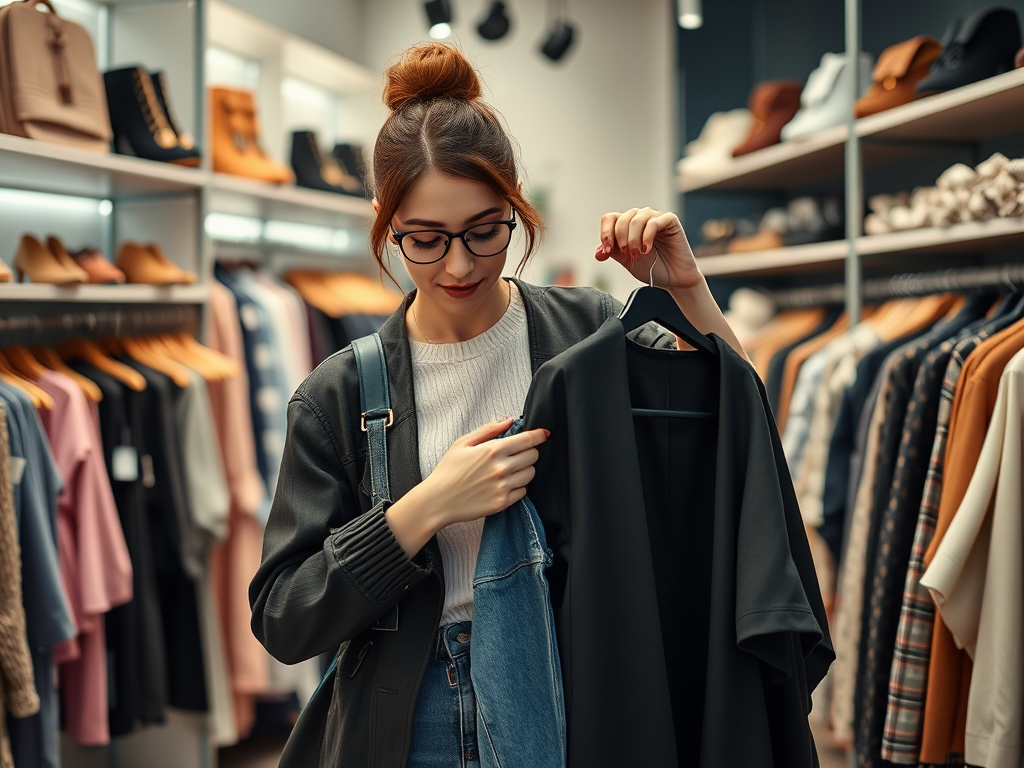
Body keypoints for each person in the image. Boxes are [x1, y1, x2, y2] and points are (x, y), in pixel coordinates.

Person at [249, 41, 748, 767]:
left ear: (516, 206)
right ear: (388, 228)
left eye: (485, 231)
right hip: (409, 713)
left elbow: (735, 432)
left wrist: (686, 293)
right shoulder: (342, 394)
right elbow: (284, 616)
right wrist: (425, 507)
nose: (458, 264)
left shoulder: (590, 331)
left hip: (576, 681)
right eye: (424, 240)